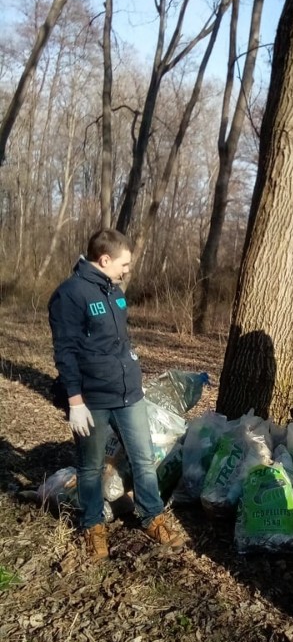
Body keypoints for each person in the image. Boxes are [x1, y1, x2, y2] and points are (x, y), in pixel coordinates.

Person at [48, 229, 183, 560]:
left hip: (129, 395)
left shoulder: (115, 291)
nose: (127, 270)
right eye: (124, 263)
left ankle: (152, 516)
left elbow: (118, 341)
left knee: (144, 459)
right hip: (92, 400)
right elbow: (64, 351)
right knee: (91, 467)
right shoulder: (70, 295)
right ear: (104, 260)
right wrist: (75, 401)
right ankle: (93, 525)